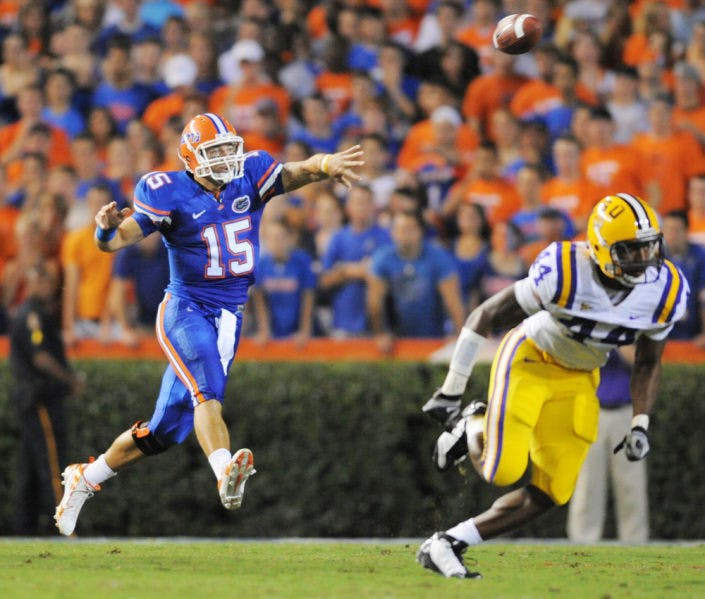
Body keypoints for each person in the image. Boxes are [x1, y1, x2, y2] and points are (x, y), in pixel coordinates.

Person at [54, 112, 363, 536]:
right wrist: (104, 231)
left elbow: (296, 172)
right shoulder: (166, 190)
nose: (225, 159)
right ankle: (224, 471)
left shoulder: (249, 176)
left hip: (229, 318)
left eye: (228, 149)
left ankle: (86, 479)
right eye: (214, 152)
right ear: (190, 156)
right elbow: (119, 239)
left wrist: (327, 165)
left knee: (163, 432)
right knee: (207, 392)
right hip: (185, 308)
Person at [417, 193, 688, 579]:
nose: (644, 261)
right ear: (601, 248)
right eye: (630, 251)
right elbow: (486, 314)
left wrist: (640, 423)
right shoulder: (565, 270)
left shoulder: (664, 290)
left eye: (649, 249)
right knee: (502, 470)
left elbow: (648, 361)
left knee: (554, 490)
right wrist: (451, 390)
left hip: (580, 378)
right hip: (531, 358)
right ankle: (473, 421)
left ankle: (448, 543)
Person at [10, 265, 83, 535]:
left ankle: (24, 530)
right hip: (41, 399)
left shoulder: (33, 314)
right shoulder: (33, 316)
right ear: (33, 284)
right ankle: (63, 527)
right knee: (54, 466)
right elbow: (41, 357)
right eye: (45, 281)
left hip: (32, 399)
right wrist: (70, 380)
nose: (49, 287)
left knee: (29, 469)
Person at [567, 348, 649, 543]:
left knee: (631, 483)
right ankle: (582, 542)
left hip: (626, 411)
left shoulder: (629, 325)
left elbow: (640, 360)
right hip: (592, 411)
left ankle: (635, 542)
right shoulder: (591, 324)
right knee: (587, 483)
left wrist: (617, 340)